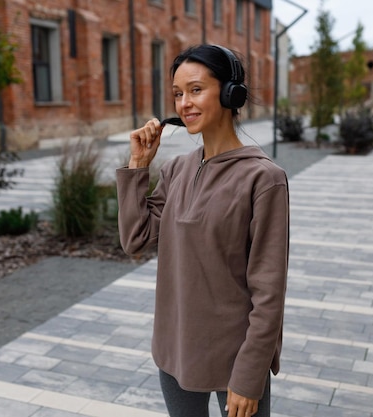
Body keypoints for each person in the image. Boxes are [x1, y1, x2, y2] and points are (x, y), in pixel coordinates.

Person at [116, 44, 289, 417]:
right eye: (178, 94)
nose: (184, 104)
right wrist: (137, 167)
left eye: (196, 90)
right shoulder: (177, 169)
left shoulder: (264, 179)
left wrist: (249, 375)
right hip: (174, 352)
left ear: (231, 93)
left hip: (235, 363)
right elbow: (135, 240)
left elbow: (269, 292)